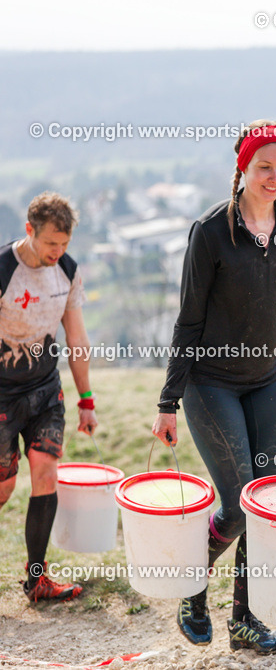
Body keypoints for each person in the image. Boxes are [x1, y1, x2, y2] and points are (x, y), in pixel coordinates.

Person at [152, 120, 276, 655]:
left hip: (271, 379)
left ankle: (246, 621)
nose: (274, 178)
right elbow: (188, 322)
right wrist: (168, 402)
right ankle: (191, 588)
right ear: (242, 169)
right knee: (237, 504)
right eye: (264, 168)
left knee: (266, 503)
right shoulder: (211, 233)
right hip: (212, 384)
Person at [0, 192, 97, 602]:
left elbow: (76, 339)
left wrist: (86, 399)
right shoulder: (3, 269)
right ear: (29, 231)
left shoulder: (68, 271)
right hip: (2, 395)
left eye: (64, 244)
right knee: (3, 490)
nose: (57, 252)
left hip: (44, 391)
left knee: (46, 474)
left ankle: (36, 579)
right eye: (50, 244)